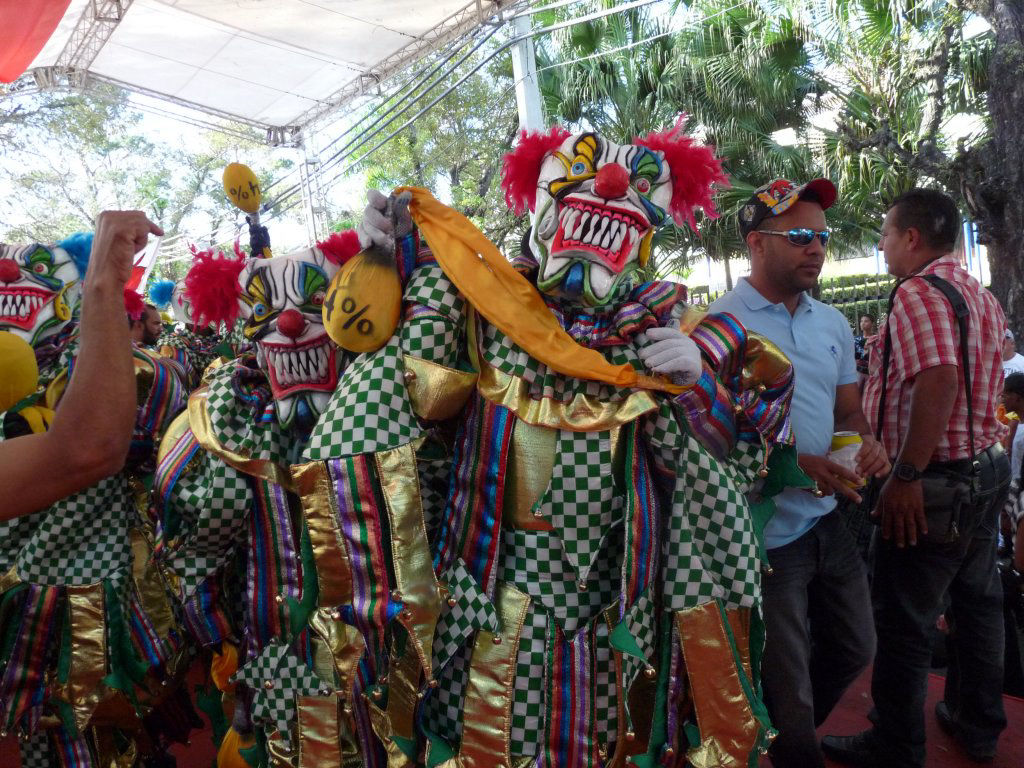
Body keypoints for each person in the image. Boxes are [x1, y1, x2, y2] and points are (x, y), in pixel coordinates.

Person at [823, 188, 1011, 767]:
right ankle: (977, 724)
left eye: (883, 235)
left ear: (911, 238)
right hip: (984, 472)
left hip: (934, 485)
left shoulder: (917, 293)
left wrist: (906, 473)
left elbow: (939, 380)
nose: (880, 248)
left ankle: (895, 746)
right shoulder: (978, 293)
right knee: (978, 604)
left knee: (904, 621)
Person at [710, 178, 889, 768]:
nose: (817, 248)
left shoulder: (832, 323)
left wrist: (868, 444)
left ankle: (781, 728)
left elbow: (848, 412)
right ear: (757, 243)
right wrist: (789, 464)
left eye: (823, 237)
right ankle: (789, 735)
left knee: (856, 645)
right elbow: (706, 440)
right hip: (761, 536)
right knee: (789, 685)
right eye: (802, 236)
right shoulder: (718, 326)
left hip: (828, 520)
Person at [0, 210, 163, 519]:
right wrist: (103, 283)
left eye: (38, 267)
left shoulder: (104, 366)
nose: (8, 272)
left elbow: (124, 445)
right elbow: (88, 451)